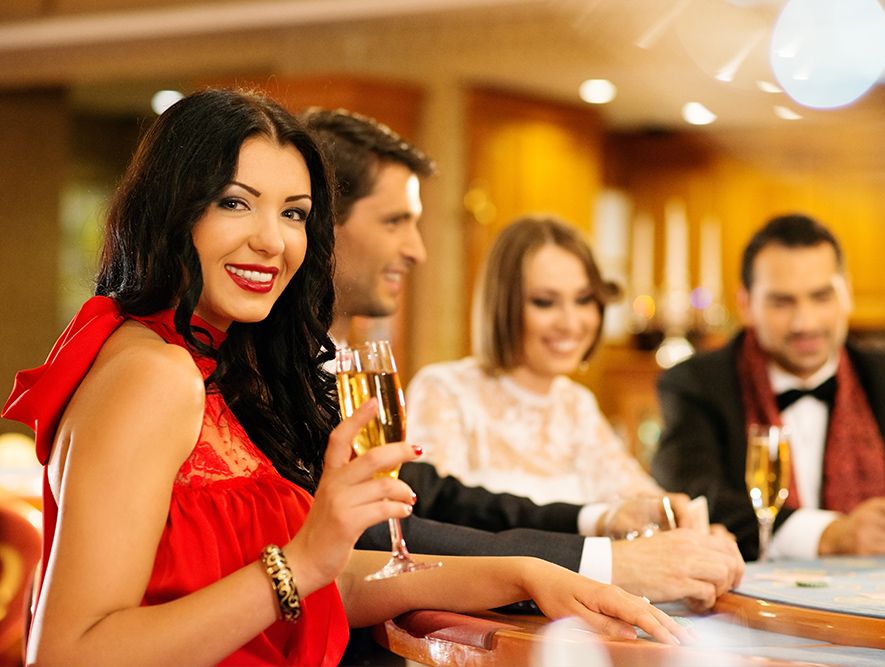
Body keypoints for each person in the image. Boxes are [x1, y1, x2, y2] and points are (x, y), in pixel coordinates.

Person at [1, 88, 689, 666]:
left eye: (294, 213)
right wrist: (299, 561)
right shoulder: (151, 373)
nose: (272, 240)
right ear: (174, 208)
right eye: (236, 202)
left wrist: (528, 575)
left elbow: (330, 579)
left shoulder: (209, 365)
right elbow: (68, 651)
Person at [301, 108, 744, 612]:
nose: (419, 250)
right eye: (396, 221)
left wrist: (606, 523)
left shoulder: (349, 363)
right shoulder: (286, 375)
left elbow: (436, 498)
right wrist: (604, 563)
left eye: (584, 299)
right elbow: (386, 541)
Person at [652, 213, 885, 561]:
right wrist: (828, 534)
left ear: (847, 295)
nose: (805, 322)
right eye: (782, 302)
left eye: (821, 297)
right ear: (746, 305)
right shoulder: (695, 383)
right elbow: (695, 499)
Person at [406, 215, 662, 506]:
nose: (570, 323)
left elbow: (642, 499)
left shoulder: (577, 405)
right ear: (503, 305)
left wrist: (685, 518)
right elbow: (437, 517)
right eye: (544, 302)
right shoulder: (445, 391)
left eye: (583, 299)